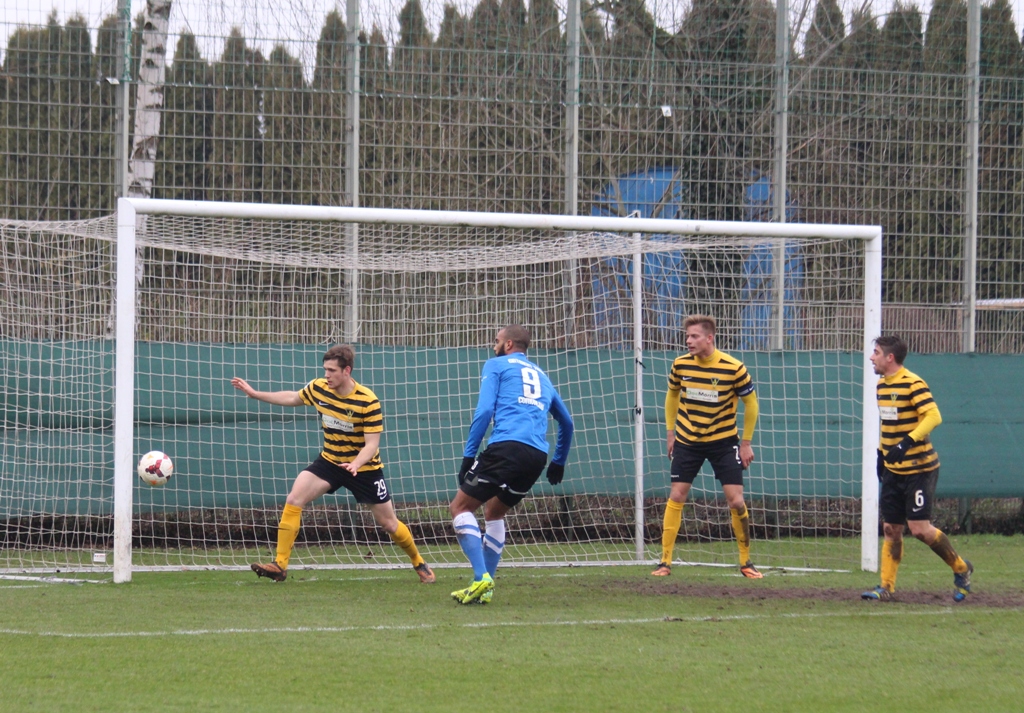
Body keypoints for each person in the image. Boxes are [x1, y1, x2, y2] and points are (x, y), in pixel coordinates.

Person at [230, 344, 435, 584]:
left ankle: (418, 561)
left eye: (332, 370)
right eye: (325, 369)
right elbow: (293, 397)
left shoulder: (367, 400)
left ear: (347, 371)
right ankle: (279, 565)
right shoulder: (319, 388)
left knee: (389, 524)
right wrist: (256, 394)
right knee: (294, 499)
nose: (326, 375)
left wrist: (355, 464)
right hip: (330, 461)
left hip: (364, 469)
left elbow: (371, 445)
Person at [448, 325, 574, 605]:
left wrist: (469, 456)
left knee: (460, 508)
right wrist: (559, 461)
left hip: (506, 447)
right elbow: (567, 422)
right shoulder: (542, 375)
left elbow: (484, 411)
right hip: (536, 456)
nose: (494, 345)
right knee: (494, 512)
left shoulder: (496, 365)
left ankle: (480, 577)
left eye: (497, 341)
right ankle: (485, 588)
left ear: (507, 345)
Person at [861, 335, 972, 602]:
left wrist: (907, 442)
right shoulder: (881, 385)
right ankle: (886, 587)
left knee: (920, 529)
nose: (871, 357)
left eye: (876, 353)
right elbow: (888, 423)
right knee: (891, 528)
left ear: (890, 357)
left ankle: (962, 568)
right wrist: (881, 453)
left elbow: (934, 416)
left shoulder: (913, 383)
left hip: (919, 469)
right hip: (893, 469)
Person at [652, 314, 763, 579]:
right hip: (688, 441)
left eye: (694, 336)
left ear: (709, 338)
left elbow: (751, 404)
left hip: (723, 443)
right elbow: (672, 395)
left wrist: (746, 443)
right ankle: (664, 561)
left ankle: (746, 562)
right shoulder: (680, 365)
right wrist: (671, 433)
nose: (688, 341)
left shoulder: (733, 368)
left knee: (736, 500)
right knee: (676, 495)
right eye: (687, 336)